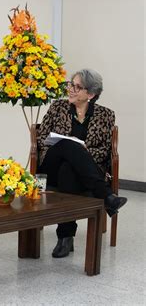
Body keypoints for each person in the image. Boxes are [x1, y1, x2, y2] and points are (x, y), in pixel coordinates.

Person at [37, 68, 127, 258]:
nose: (71, 89)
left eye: (77, 87)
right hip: (50, 163)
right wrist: (72, 147)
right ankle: (106, 195)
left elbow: (104, 150)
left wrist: (83, 152)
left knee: (68, 170)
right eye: (71, 84)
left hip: (80, 172)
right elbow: (42, 137)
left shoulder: (106, 115)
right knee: (68, 146)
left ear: (91, 94)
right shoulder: (57, 107)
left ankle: (65, 237)